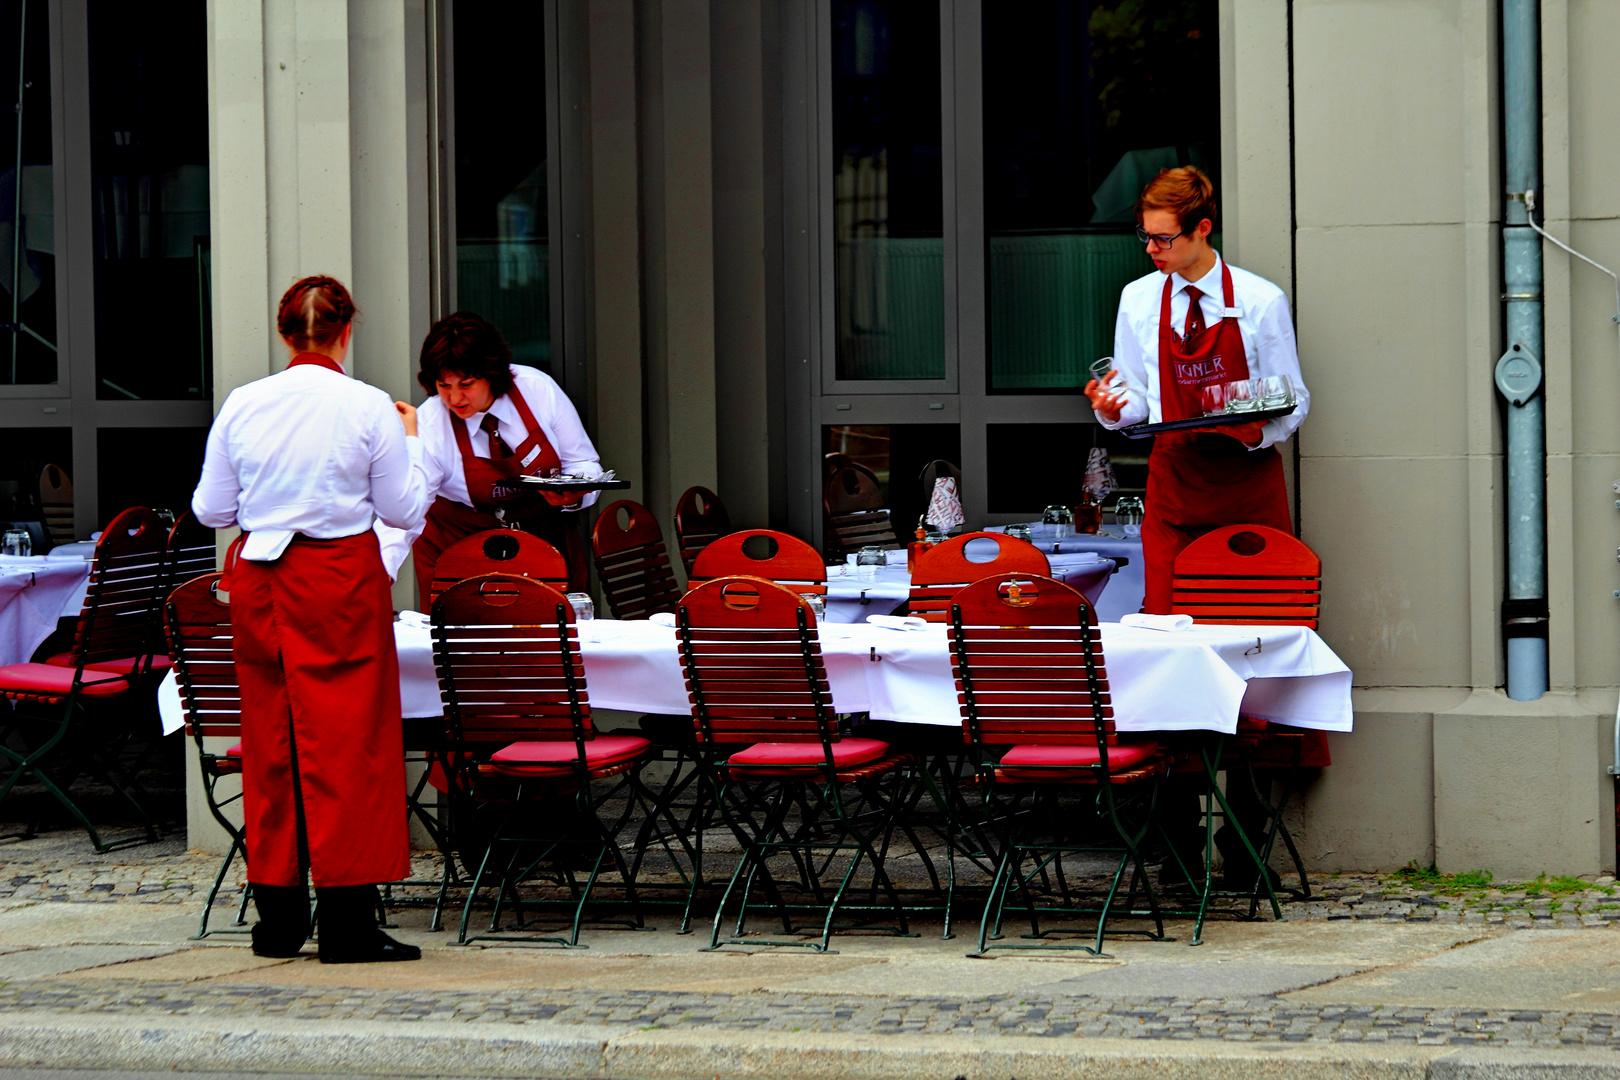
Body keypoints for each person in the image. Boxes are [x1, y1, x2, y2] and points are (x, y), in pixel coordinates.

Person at [1085, 167, 1321, 888]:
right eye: (1145, 238)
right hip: (1174, 490)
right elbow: (1135, 403)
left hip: (1246, 486)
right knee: (1171, 660)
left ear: (1201, 231)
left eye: (1164, 239)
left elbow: (1294, 401)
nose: (1152, 251)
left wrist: (1251, 429)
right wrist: (1108, 406)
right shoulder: (1136, 299)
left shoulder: (1257, 299)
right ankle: (1179, 851)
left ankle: (1248, 849)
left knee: (1252, 658)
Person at [192, 275, 429, 963]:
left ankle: (279, 920)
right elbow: (403, 509)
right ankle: (348, 924)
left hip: (263, 577)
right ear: (346, 332)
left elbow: (211, 508)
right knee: (347, 743)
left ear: (284, 331)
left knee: (272, 744)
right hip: (336, 576)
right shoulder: (364, 406)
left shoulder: (245, 402)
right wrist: (411, 443)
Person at [376, 311, 602, 604]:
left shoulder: (537, 390)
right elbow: (407, 508)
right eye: (444, 386)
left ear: (492, 374)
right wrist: (379, 572)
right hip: (457, 556)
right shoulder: (431, 424)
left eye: (466, 384)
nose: (455, 399)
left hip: (544, 549)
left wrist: (574, 495)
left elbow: (584, 464)